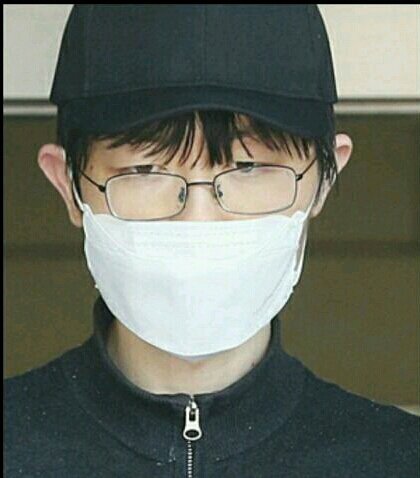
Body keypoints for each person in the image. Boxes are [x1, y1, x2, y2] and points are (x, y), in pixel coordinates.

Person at [5, 5, 418, 478]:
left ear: (324, 179)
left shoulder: (397, 459)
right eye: (146, 169)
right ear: (68, 186)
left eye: (248, 167)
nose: (198, 220)